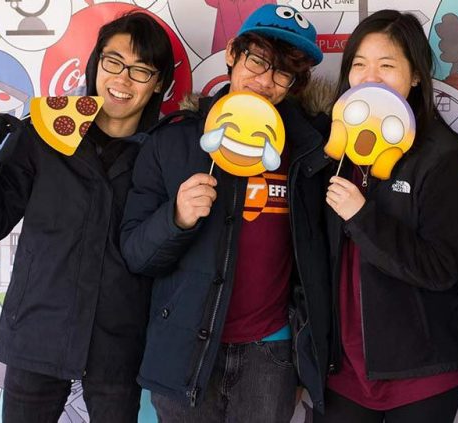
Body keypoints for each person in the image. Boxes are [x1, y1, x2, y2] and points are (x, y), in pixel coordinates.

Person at [0, 12, 174, 423]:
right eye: (113, 62)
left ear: (159, 83)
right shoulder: (44, 133)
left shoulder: (164, 152)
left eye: (141, 70)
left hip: (119, 341)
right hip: (39, 330)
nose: (122, 79)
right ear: (95, 64)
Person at [119, 4, 331, 421]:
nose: (266, 81)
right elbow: (135, 254)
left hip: (270, 354)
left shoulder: (310, 150)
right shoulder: (174, 141)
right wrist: (175, 219)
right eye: (257, 61)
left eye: (283, 73)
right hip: (184, 351)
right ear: (233, 52)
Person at [317, 9, 458, 423]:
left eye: (386, 65)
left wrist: (362, 216)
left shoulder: (442, 156)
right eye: (359, 64)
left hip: (420, 374)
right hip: (342, 371)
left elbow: (442, 268)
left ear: (414, 76)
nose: (369, 77)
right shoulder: (332, 150)